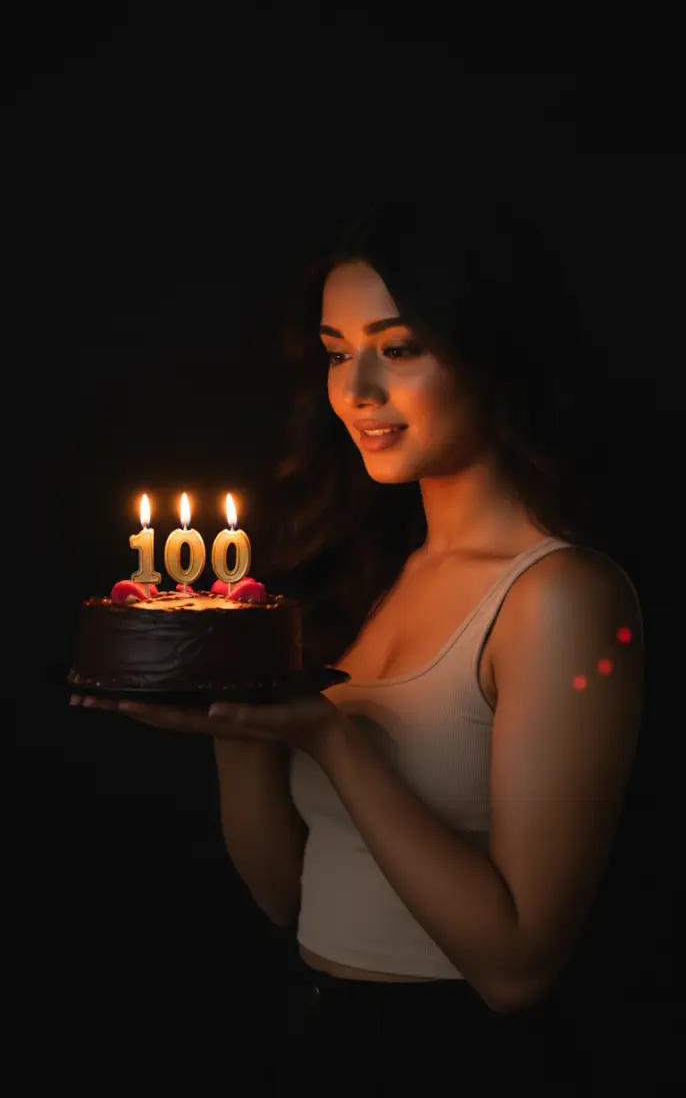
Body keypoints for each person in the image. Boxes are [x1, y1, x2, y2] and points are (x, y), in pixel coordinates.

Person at [73, 193, 644, 1093]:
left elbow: (517, 970)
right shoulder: (365, 577)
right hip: (319, 1036)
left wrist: (332, 736)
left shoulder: (562, 597)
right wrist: (234, 723)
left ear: (496, 349)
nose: (356, 393)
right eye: (339, 354)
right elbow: (295, 902)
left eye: (399, 348)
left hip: (458, 1061)